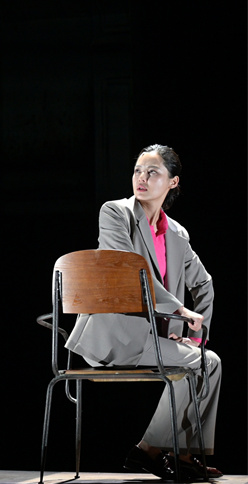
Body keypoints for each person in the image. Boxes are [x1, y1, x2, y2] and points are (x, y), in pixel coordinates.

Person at [65, 144, 222, 481]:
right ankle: (156, 450)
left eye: (152, 172)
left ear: (172, 182)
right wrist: (179, 309)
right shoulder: (115, 212)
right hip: (114, 335)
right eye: (138, 170)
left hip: (151, 338)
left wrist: (194, 336)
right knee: (203, 364)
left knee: (205, 360)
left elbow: (204, 284)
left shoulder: (177, 233)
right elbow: (128, 271)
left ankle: (175, 453)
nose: (142, 178)